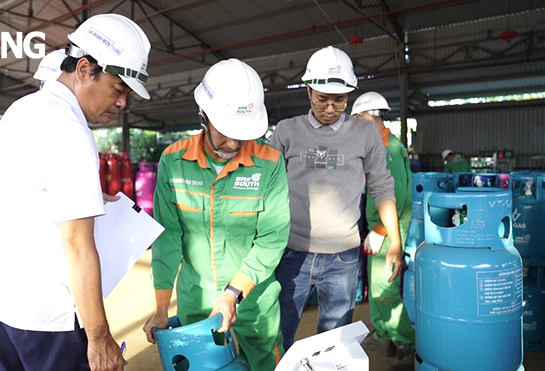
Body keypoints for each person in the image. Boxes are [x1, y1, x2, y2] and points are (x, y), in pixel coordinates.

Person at [0, 14, 151, 371]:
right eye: (119, 90)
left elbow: (25, 196)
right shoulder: (69, 129)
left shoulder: (21, 110)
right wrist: (99, 336)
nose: (122, 104)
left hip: (2, 308)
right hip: (49, 321)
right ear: (85, 68)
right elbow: (76, 244)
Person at [142, 58, 290, 370]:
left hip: (253, 295)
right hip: (197, 296)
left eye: (243, 133)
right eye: (225, 131)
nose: (234, 143)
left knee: (265, 364)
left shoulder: (270, 163)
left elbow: (271, 239)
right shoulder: (174, 161)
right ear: (203, 116)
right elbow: (168, 236)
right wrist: (160, 305)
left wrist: (233, 293)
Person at [270, 46, 403, 351]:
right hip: (292, 254)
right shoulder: (287, 131)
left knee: (333, 346)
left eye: (339, 101)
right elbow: (267, 185)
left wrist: (394, 241)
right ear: (308, 92)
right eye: (322, 100)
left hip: (343, 258)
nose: (330, 109)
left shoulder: (365, 134)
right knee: (277, 335)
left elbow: (382, 186)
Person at [351, 91, 415, 369]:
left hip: (388, 233)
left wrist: (379, 230)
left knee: (386, 290)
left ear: (366, 117)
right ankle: (383, 335)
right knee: (376, 287)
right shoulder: (381, 146)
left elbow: (396, 198)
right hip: (381, 231)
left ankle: (407, 344)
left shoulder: (388, 150)